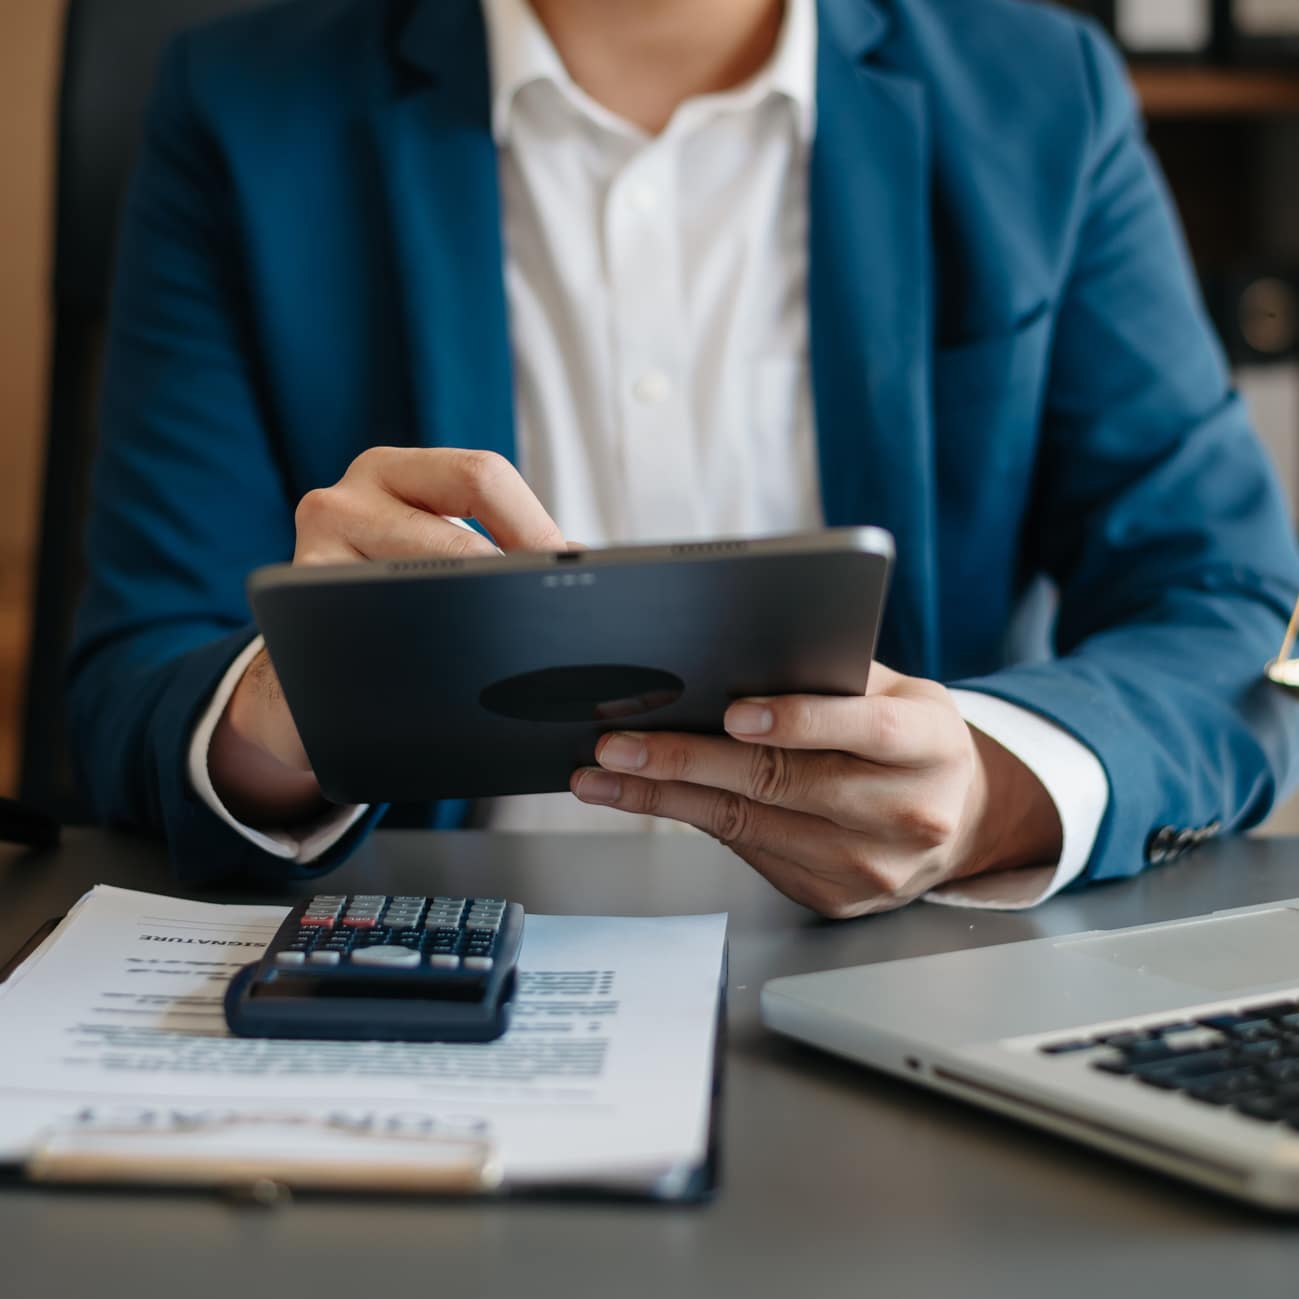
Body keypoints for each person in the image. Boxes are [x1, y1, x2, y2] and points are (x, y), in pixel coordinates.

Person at [68, 0, 1299, 917]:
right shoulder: (244, 109)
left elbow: (1226, 600)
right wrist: (281, 713)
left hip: (913, 971)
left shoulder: (1040, 95)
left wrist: (991, 795)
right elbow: (138, 665)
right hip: (415, 966)